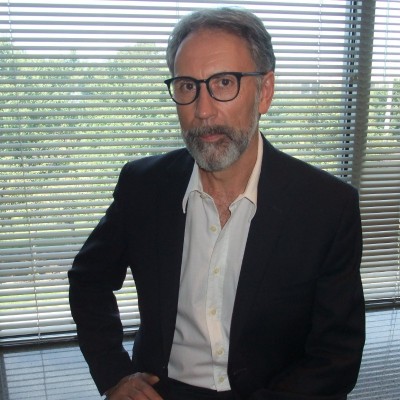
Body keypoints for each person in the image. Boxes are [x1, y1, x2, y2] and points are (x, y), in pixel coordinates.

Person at [68, 7, 365, 400]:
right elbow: (88, 280)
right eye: (187, 86)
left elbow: (337, 354)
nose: (203, 111)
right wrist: (113, 374)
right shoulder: (143, 186)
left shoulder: (327, 206)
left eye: (224, 82)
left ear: (265, 91)